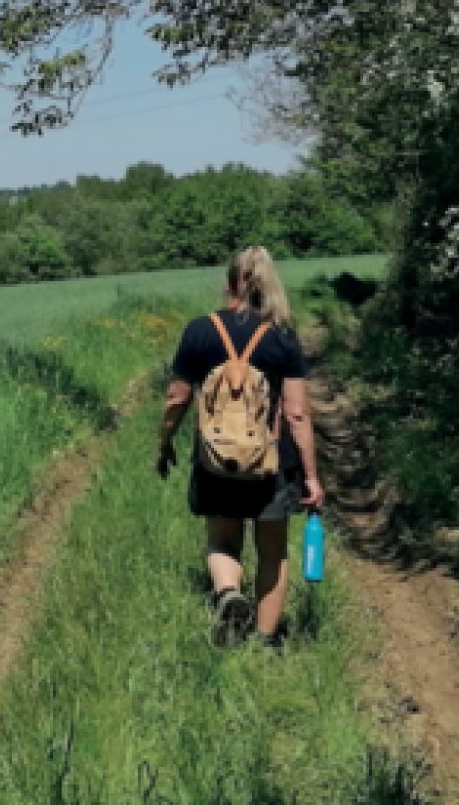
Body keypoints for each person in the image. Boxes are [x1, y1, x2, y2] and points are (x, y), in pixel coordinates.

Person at [155, 246, 324, 646]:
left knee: (222, 540)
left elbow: (177, 398)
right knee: (272, 552)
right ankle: (265, 644)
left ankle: (229, 595)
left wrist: (164, 444)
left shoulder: (200, 330)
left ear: (230, 283)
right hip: (271, 463)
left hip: (216, 461)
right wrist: (311, 478)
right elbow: (297, 414)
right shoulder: (283, 336)